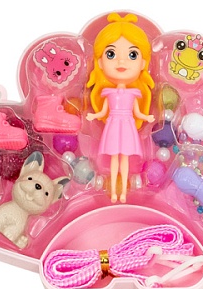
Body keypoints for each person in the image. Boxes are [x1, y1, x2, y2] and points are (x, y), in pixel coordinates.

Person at [86, 13, 155, 202]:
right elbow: (103, 111)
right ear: (100, 62)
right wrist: (94, 116)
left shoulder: (134, 93)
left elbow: (138, 111)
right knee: (114, 158)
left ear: (143, 63)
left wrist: (146, 117)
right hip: (114, 124)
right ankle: (115, 192)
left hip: (127, 124)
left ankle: (123, 191)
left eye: (132, 55)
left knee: (124, 158)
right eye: (111, 54)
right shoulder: (108, 92)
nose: (121, 62)